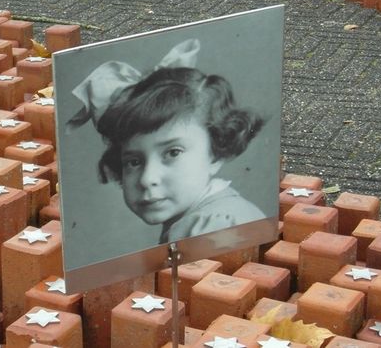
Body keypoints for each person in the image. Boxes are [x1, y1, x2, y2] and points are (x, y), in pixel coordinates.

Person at [87, 61, 267, 244]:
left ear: (215, 153)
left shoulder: (214, 226)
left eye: (173, 153)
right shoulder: (197, 220)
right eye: (134, 162)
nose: (147, 179)